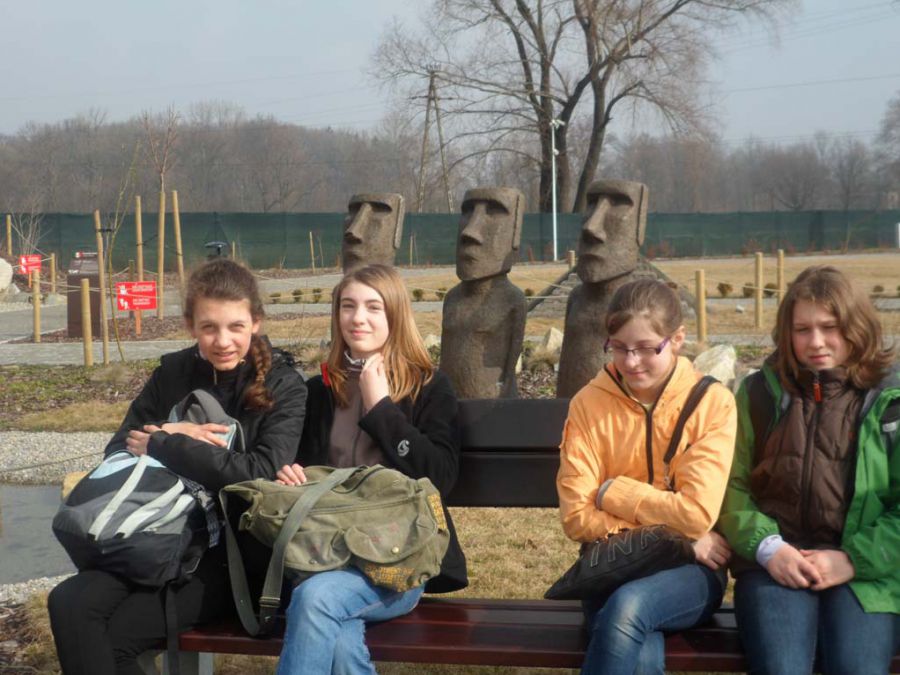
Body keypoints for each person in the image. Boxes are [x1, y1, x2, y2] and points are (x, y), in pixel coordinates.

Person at [47, 258, 308, 675]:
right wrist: (173, 428)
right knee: (68, 602)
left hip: (228, 559)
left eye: (236, 327)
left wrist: (168, 443)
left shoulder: (283, 384)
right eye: (209, 328)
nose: (223, 341)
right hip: (152, 536)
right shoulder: (173, 372)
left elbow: (258, 471)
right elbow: (117, 450)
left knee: (114, 638)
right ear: (190, 326)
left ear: (256, 323)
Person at [275, 263, 468, 675]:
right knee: (336, 633)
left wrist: (381, 407)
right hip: (323, 555)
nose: (357, 318)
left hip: (398, 562)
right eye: (348, 306)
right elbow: (299, 473)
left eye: (372, 307)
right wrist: (291, 476)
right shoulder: (319, 390)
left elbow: (440, 478)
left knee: (315, 600)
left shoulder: (429, 387)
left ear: (395, 314)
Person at [717, 265, 900, 675]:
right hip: (775, 565)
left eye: (829, 327)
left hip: (867, 573)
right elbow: (731, 485)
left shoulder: (891, 400)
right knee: (782, 667)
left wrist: (852, 559)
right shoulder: (759, 394)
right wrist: (769, 548)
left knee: (857, 667)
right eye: (802, 329)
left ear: (856, 326)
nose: (816, 342)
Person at [557, 278, 737, 674]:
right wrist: (681, 540)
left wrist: (614, 491)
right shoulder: (588, 404)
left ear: (677, 339)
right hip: (611, 566)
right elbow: (577, 518)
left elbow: (696, 514)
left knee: (627, 607)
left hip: (691, 575)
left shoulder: (712, 403)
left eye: (645, 348)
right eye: (619, 347)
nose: (631, 362)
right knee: (641, 654)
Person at [556, 179, 650, 398]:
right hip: (570, 412)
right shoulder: (576, 298)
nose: (590, 227)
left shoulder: (642, 304)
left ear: (639, 225)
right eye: (591, 203)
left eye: (617, 203)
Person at [440, 186, 526, 398]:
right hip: (448, 406)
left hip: (490, 407)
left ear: (514, 232)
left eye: (494, 211)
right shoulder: (452, 298)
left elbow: (509, 371)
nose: (469, 232)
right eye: (467, 211)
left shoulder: (512, 300)